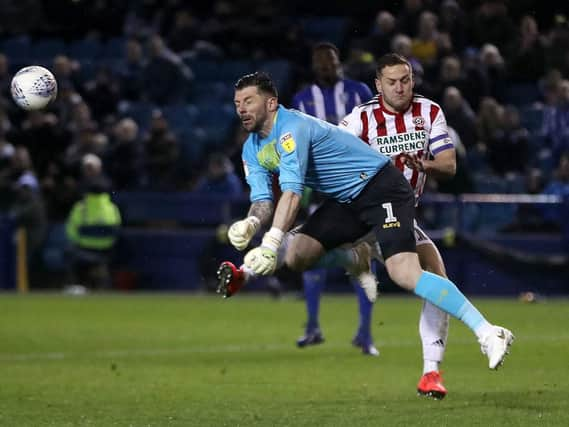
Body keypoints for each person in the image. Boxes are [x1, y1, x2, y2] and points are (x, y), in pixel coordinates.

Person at [217, 71, 514, 380]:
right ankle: (355, 251)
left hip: (380, 187)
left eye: (249, 101)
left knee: (405, 273)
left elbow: (292, 192)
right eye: (238, 103)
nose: (241, 109)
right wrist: (252, 222)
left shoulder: (292, 128)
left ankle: (489, 332)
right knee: (297, 255)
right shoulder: (251, 148)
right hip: (347, 199)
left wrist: (270, 242)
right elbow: (264, 199)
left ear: (272, 103)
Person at [337, 53, 459, 397]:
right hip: (362, 215)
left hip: (399, 218)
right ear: (378, 85)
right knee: (301, 253)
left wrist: (425, 164)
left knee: (437, 279)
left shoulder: (430, 112)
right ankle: (249, 266)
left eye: (405, 80)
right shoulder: (361, 119)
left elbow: (449, 165)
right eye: (392, 82)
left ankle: (430, 374)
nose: (400, 87)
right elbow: (332, 151)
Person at [291, 42, 378, 356]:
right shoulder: (302, 100)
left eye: (330, 61)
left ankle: (365, 334)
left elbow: (378, 131)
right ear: (314, 67)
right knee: (311, 254)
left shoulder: (359, 92)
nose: (325, 67)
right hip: (324, 190)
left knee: (363, 256)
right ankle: (313, 326)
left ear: (338, 62)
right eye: (320, 63)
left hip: (360, 187)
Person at [65, 166, 121, 290]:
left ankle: (76, 284)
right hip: (107, 251)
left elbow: (71, 232)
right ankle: (101, 284)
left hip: (84, 251)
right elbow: (116, 231)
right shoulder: (112, 208)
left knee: (69, 251)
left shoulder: (80, 208)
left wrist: (83, 242)